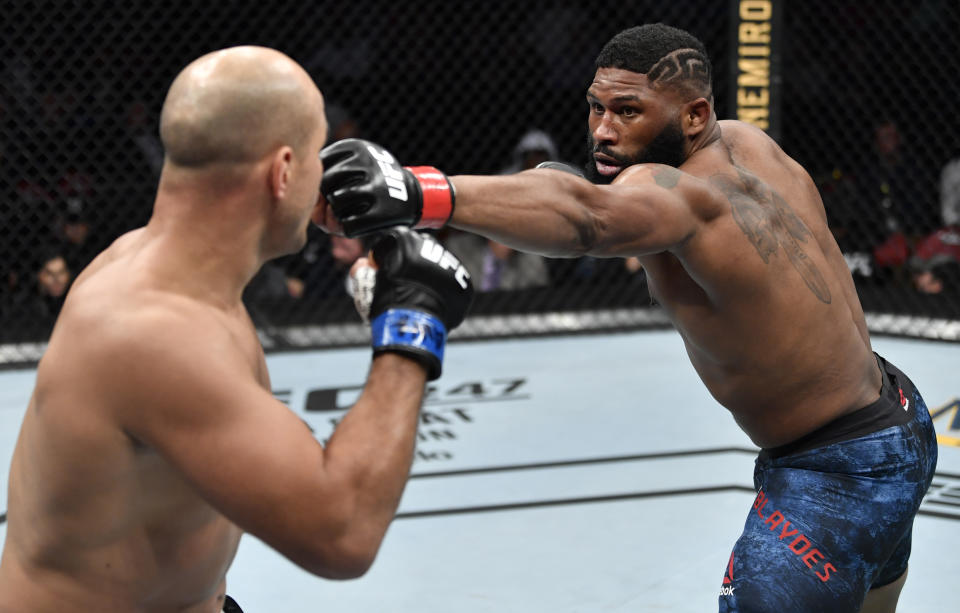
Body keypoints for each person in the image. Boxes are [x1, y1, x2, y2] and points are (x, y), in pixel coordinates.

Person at [315, 24, 938, 613]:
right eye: (596, 107)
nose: (603, 131)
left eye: (628, 112)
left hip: (833, 478)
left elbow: (588, 218)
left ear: (693, 115)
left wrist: (417, 191)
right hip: (900, 417)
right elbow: (584, 195)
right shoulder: (748, 143)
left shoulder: (688, 198)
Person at [0, 46, 473, 613]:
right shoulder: (151, 334)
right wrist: (411, 325)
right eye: (316, 156)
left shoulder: (171, 278)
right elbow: (343, 533)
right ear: (283, 173)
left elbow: (277, 454)